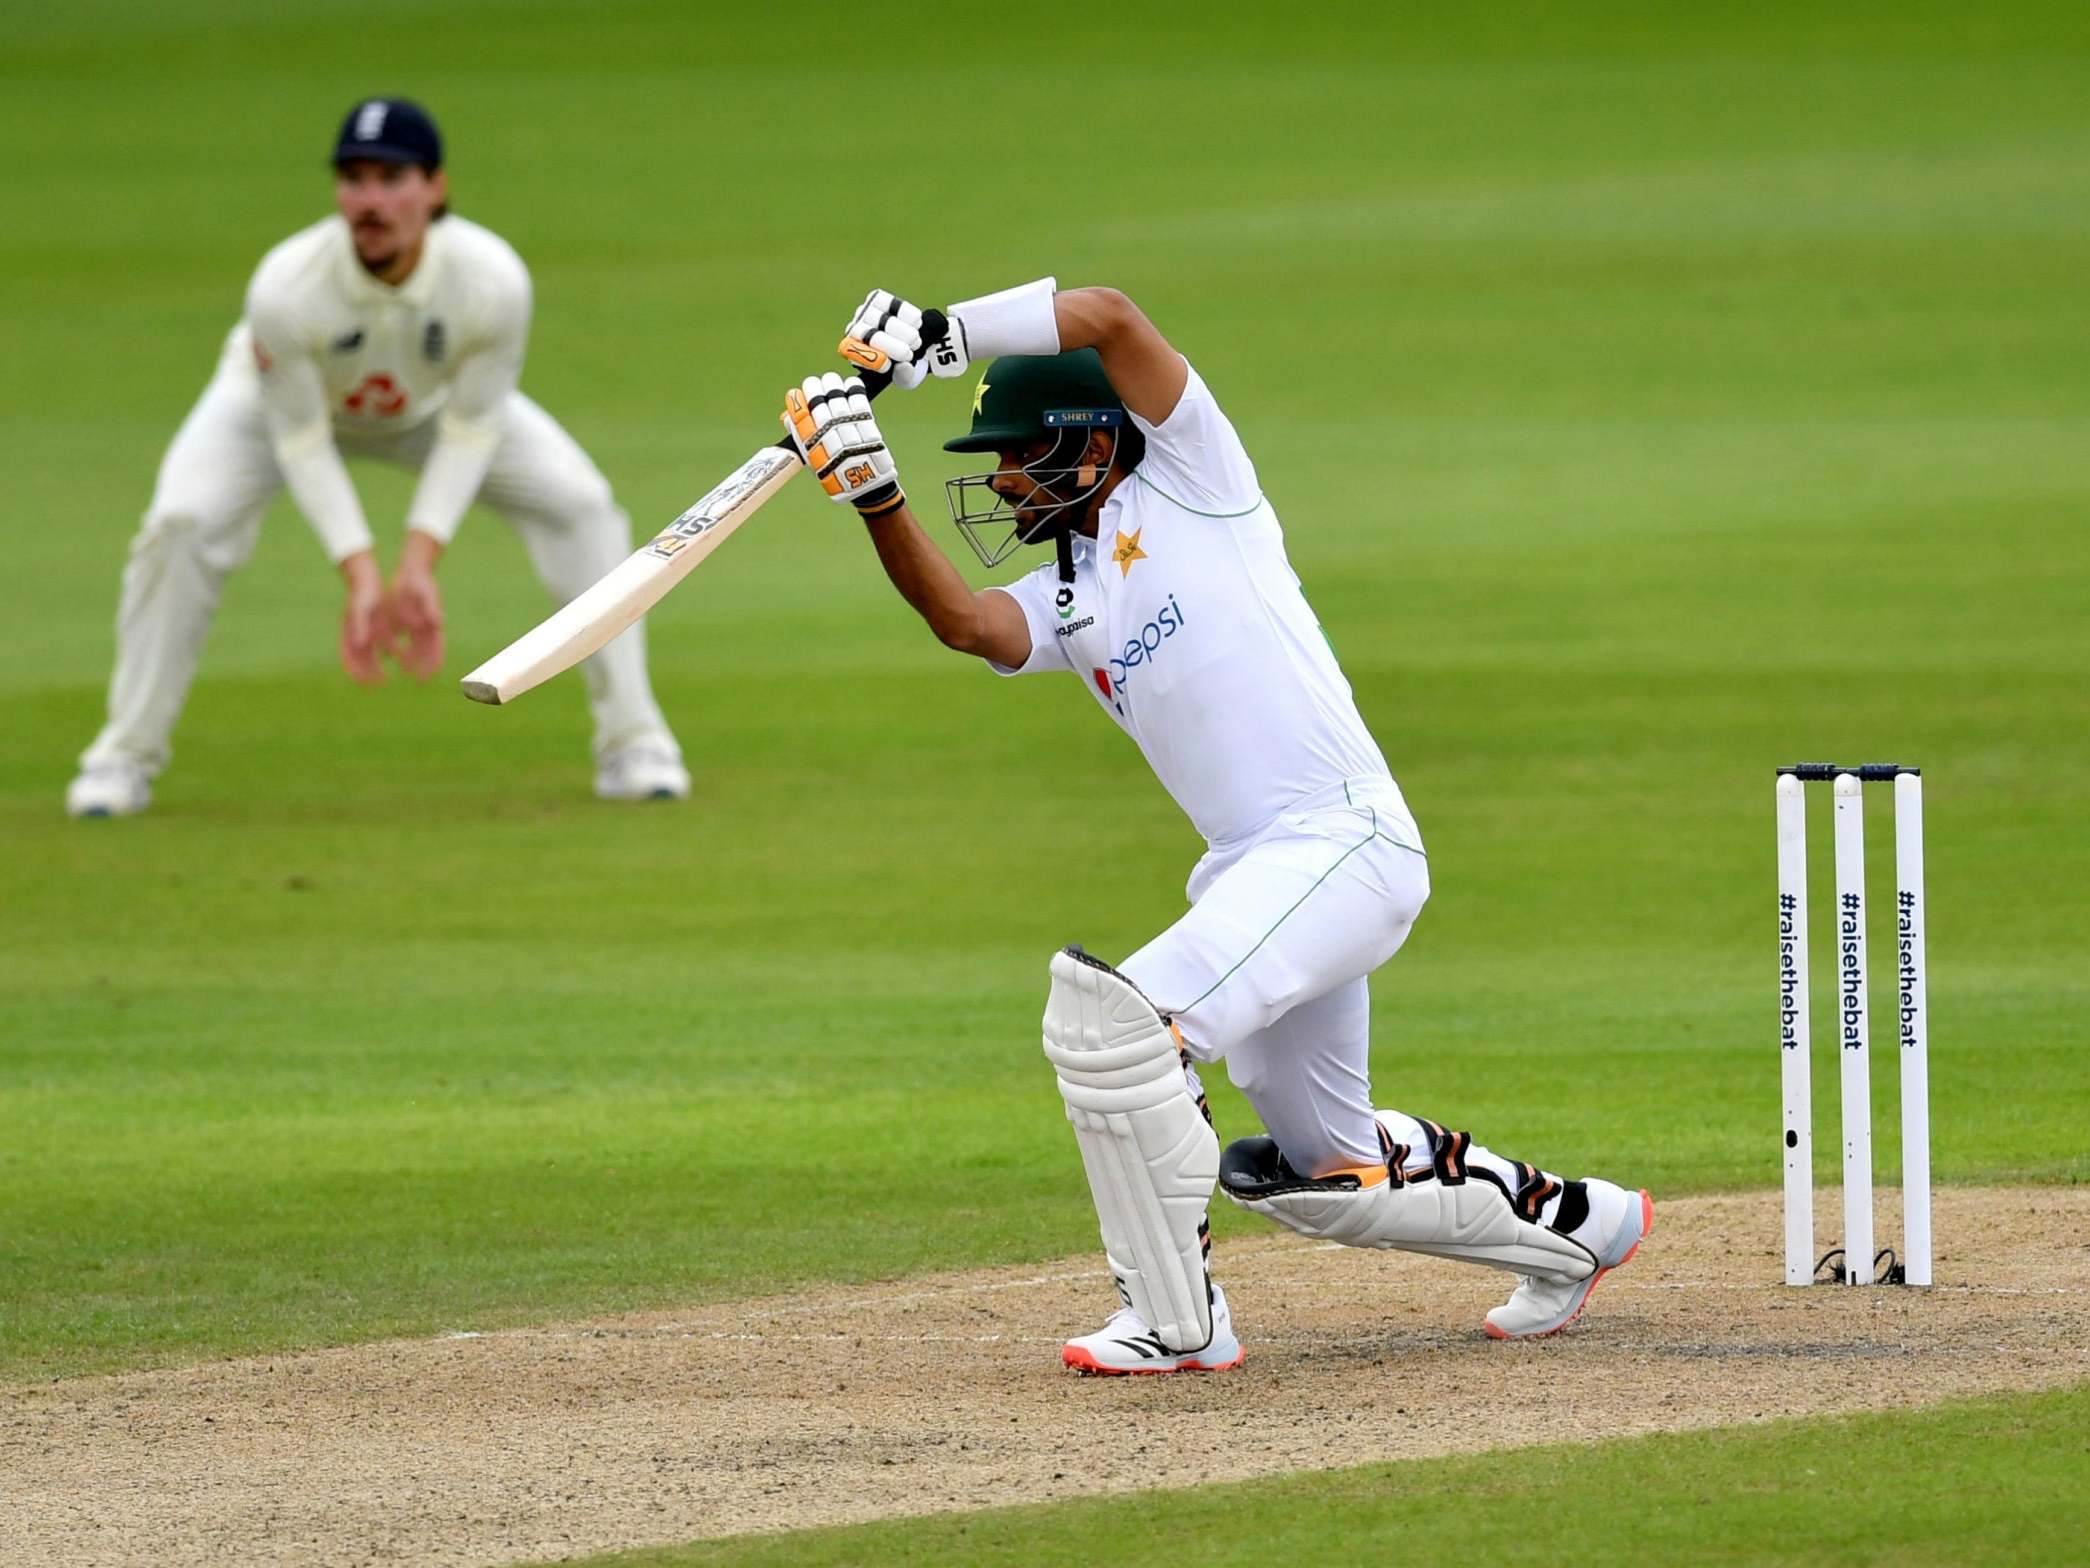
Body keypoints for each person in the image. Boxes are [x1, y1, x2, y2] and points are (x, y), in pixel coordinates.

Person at [777, 281, 1653, 1373]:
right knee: (1327, 1174)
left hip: (1339, 840)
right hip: (1262, 869)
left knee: (1113, 1024)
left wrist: (945, 336)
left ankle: (1175, 1317)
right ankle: (1581, 1228)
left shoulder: (1195, 479)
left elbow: (1106, 315)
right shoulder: (1072, 587)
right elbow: (965, 622)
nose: (998, 478)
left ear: (1091, 445)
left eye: (1013, 453)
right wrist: (875, 498)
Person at [66, 98, 688, 817]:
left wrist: (418, 562)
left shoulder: (493, 280)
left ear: (436, 188)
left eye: (392, 179)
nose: (371, 201)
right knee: (181, 523)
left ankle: (633, 741)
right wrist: (362, 572)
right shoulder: (286, 286)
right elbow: (300, 440)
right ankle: (123, 756)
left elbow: (473, 425)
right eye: (355, 179)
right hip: (273, 405)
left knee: (580, 506)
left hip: (431, 408)